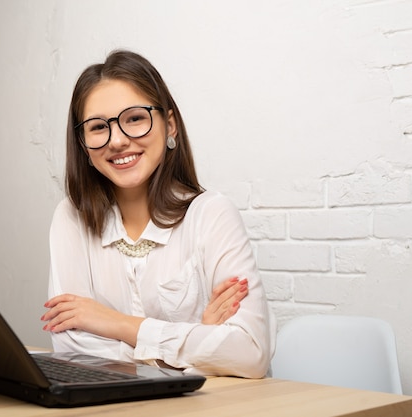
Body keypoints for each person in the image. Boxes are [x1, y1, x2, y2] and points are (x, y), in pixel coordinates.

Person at [40, 50, 276, 378]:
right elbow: (73, 353)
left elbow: (250, 354)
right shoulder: (71, 217)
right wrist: (198, 339)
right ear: (83, 144)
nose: (118, 140)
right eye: (98, 127)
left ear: (170, 125)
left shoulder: (211, 214)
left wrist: (117, 324)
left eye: (135, 118)